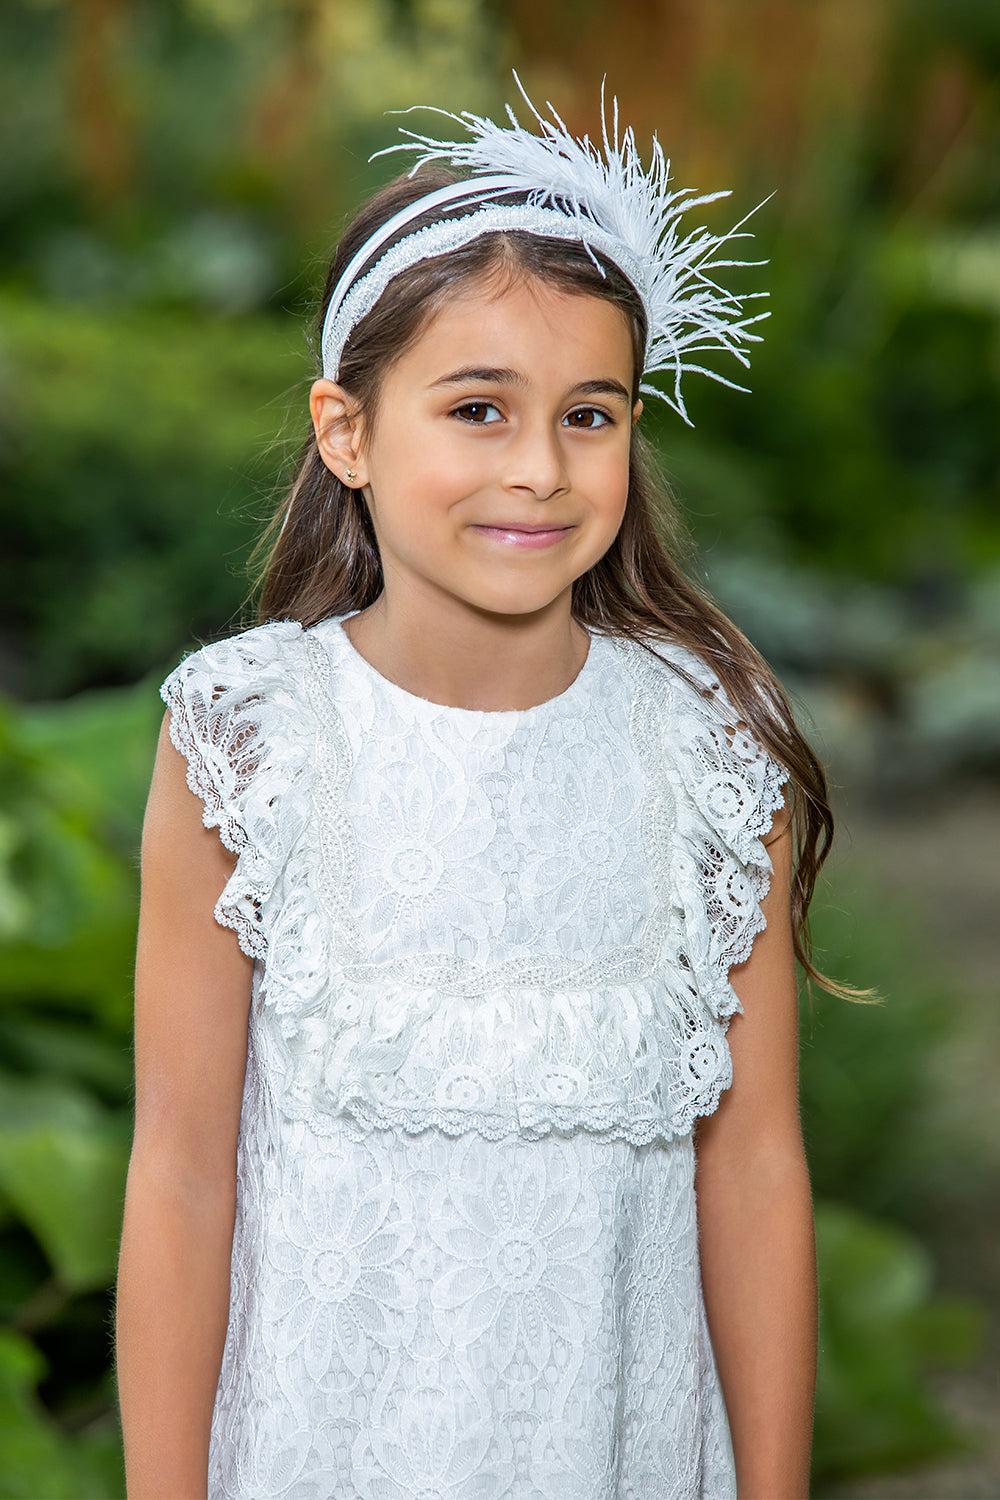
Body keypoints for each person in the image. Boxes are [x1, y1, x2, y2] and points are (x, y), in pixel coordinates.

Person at [116, 81, 830, 1499]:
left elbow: (752, 1166)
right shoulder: (247, 740)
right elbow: (182, 1174)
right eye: (479, 409)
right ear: (348, 432)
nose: (539, 469)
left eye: (588, 415)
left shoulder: (706, 749)